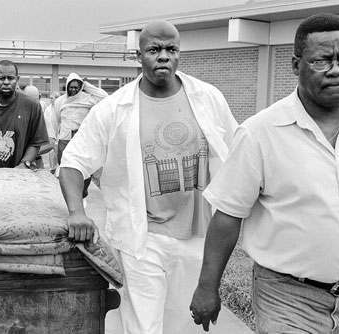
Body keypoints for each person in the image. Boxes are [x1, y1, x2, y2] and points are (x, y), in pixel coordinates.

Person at [189, 13, 339, 333]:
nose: (337, 69)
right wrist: (207, 287)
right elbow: (227, 216)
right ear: (296, 65)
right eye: (322, 60)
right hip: (285, 297)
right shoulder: (260, 133)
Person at [58, 21, 238, 334]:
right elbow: (73, 161)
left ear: (179, 54)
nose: (163, 57)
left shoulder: (208, 98)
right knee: (143, 328)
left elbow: (237, 154)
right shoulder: (114, 109)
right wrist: (77, 212)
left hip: (199, 236)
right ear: (139, 56)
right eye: (154, 50)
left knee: (186, 324)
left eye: (171, 49)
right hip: (141, 239)